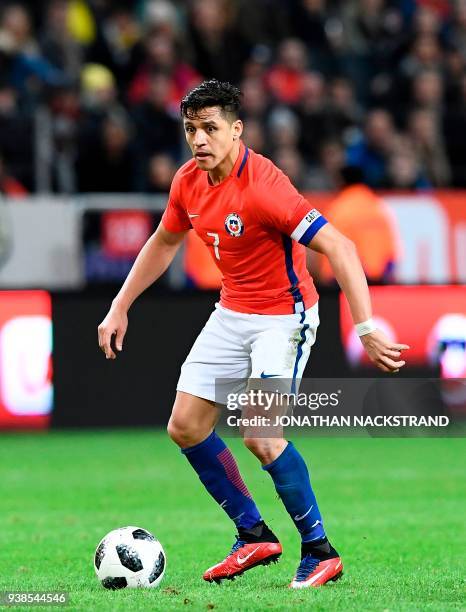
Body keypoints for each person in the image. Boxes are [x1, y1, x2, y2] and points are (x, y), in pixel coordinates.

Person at [98, 80, 409, 589]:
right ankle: (253, 534)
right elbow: (163, 241)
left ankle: (320, 551)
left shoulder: (265, 185)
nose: (199, 140)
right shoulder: (187, 182)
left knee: (261, 435)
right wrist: (120, 306)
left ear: (237, 130)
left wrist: (366, 327)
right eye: (191, 129)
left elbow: (341, 247)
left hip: (284, 318)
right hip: (232, 312)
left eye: (210, 128)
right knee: (185, 425)